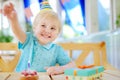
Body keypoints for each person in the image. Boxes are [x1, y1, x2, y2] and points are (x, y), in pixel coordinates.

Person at [1, 1, 76, 75]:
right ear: (34, 28)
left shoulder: (57, 50)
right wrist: (13, 19)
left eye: (52, 28)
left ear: (57, 34)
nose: (47, 30)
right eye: (43, 25)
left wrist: (60, 69)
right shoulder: (28, 40)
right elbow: (17, 31)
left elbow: (72, 65)